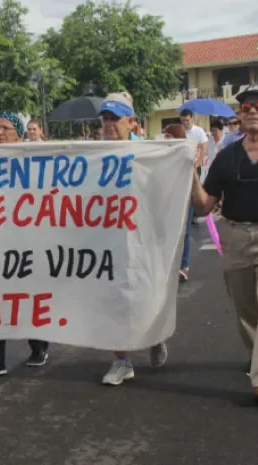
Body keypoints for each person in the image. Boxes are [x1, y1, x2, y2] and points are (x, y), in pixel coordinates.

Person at [189, 83, 258, 404]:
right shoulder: (227, 157)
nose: (252, 110)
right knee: (245, 308)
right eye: (246, 106)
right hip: (235, 236)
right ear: (239, 114)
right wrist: (192, 175)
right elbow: (203, 206)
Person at [98, 92, 168, 386]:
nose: (110, 123)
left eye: (115, 118)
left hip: (144, 235)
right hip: (107, 238)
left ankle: (155, 334)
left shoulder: (151, 152)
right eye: (105, 118)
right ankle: (121, 361)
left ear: (132, 122)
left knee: (145, 292)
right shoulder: (92, 153)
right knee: (116, 299)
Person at [0, 111, 49, 377]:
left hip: (27, 243)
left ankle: (39, 345)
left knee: (26, 298)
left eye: (4, 129)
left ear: (18, 135)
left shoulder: (32, 162)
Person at [163, 124, 195, 281]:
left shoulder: (187, 153)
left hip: (186, 197)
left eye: (169, 135)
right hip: (169, 198)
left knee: (184, 232)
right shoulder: (163, 154)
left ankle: (184, 266)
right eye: (165, 136)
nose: (166, 139)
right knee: (169, 232)